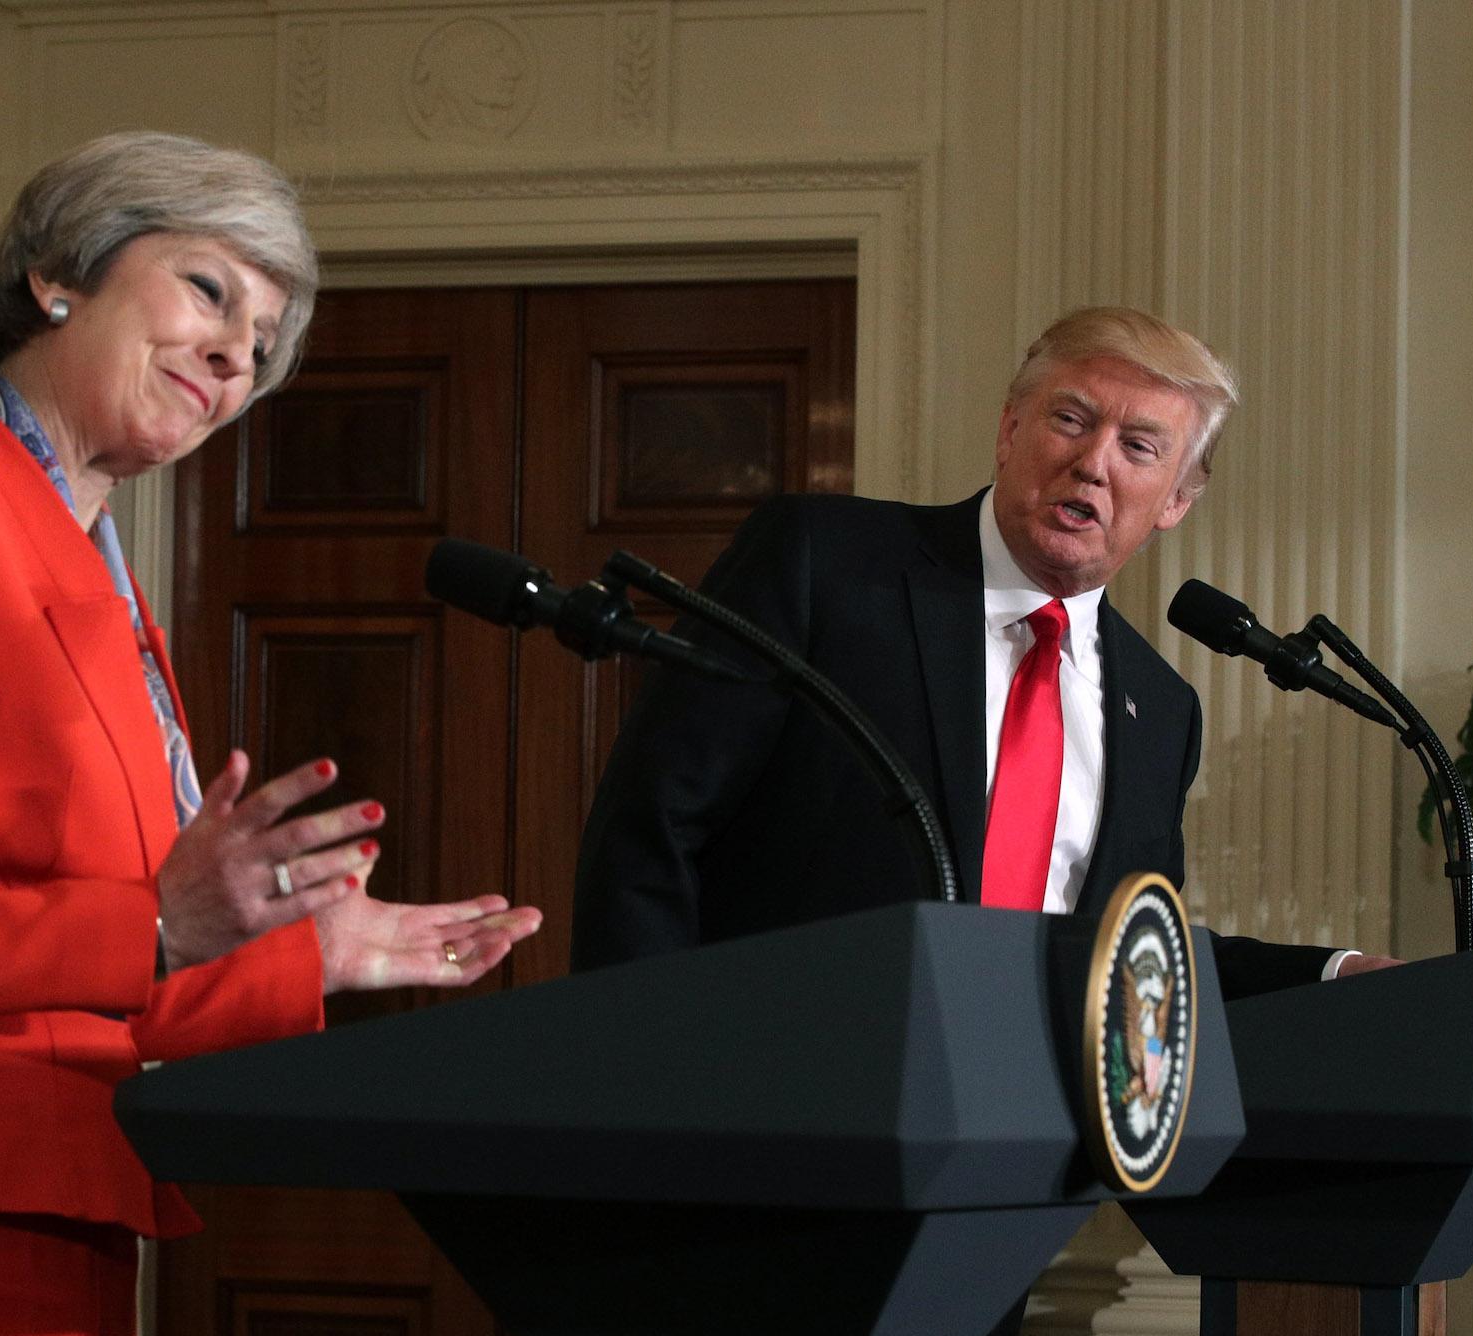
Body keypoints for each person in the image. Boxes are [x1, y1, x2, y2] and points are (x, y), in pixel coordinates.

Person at [0, 131, 542, 1336]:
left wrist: (308, 955)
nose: (236, 358)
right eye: (209, 292)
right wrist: (156, 923)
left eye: (262, 347)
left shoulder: (106, 590)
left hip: (62, 1222)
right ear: (60, 272)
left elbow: (88, 984)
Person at [574, 304, 1393, 994]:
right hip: (784, 1108)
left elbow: (1128, 964)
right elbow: (652, 822)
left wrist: (1329, 970)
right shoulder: (828, 565)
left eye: (1138, 446)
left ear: (1177, 500)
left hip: (1022, 1145)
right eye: (1069, 419)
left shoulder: (1161, 710)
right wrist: (653, 1060)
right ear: (1009, 431)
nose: (1091, 461)